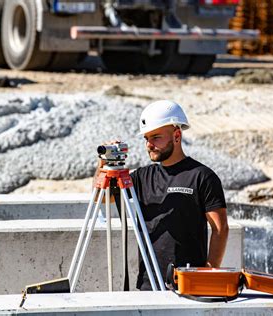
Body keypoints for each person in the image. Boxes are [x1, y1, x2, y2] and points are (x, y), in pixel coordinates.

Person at [96, 100, 229, 290]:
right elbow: (101, 197)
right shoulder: (142, 176)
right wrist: (104, 164)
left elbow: (220, 229)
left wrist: (208, 273)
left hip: (187, 284)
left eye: (156, 137)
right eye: (146, 138)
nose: (149, 144)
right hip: (147, 284)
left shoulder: (202, 176)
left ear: (176, 135)